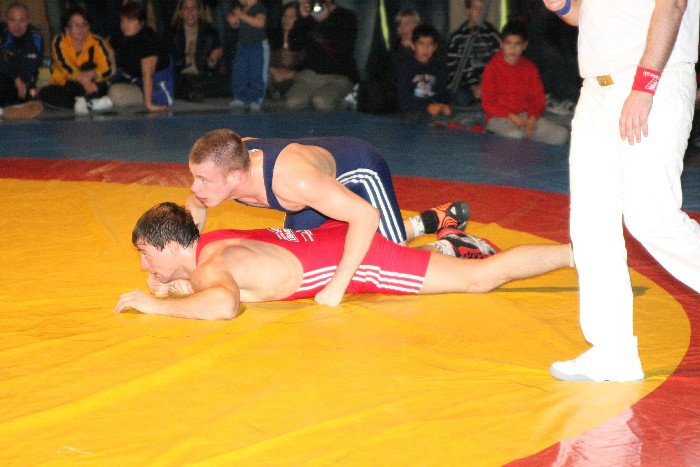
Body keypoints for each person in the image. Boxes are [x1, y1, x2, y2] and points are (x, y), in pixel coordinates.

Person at [543, 0, 700, 382]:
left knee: (652, 218)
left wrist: (644, 86)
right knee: (591, 225)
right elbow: (587, 15)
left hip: (653, 83)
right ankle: (612, 351)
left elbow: (672, 5)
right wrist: (563, 6)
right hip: (596, 90)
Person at [115, 202, 572, 320]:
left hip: (359, 259)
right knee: (449, 267)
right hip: (333, 237)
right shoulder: (210, 245)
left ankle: (581, 254)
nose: (142, 265)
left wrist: (157, 304)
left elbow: (223, 305)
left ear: (172, 247)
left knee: (480, 280)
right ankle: (449, 241)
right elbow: (228, 281)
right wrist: (177, 285)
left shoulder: (212, 270)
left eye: (145, 254)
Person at [184, 129, 473, 306]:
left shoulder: (293, 182)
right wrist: (187, 259)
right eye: (196, 177)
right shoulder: (228, 164)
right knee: (317, 256)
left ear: (235, 177)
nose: (196, 188)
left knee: (390, 259)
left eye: (203, 180)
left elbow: (366, 216)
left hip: (359, 172)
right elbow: (194, 203)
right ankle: (425, 221)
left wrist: (337, 286)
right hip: (312, 190)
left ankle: (449, 245)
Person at [480, 20, 569, 145]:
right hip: (500, 118)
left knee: (561, 135)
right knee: (515, 136)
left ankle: (531, 146)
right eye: (508, 43)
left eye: (517, 44)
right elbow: (488, 103)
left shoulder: (530, 68)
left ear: (524, 46)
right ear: (501, 44)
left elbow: (538, 99)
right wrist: (512, 116)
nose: (512, 48)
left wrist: (532, 117)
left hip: (526, 117)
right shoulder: (491, 68)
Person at [284, 0, 358, 111]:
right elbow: (294, 46)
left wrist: (324, 21)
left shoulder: (346, 17)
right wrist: (302, 19)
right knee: (292, 102)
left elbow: (341, 49)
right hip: (309, 74)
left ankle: (346, 102)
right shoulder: (308, 17)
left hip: (337, 76)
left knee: (321, 101)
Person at [39, 6, 113, 114]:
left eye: (85, 24)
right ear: (67, 29)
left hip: (91, 83)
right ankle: (90, 103)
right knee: (45, 93)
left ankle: (82, 102)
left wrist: (92, 74)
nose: (81, 29)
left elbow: (107, 69)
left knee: (101, 84)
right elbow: (66, 66)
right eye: (76, 25)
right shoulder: (59, 41)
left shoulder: (97, 42)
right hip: (65, 85)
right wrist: (82, 80)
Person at [108, 2, 174, 111]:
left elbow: (147, 75)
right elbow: (107, 43)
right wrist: (112, 66)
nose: (124, 25)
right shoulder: (124, 36)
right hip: (133, 78)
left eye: (129, 21)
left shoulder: (149, 40)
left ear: (141, 23)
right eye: (122, 20)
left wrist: (149, 104)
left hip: (156, 84)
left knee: (116, 94)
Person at [357, 8, 419, 114]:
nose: (403, 28)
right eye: (400, 24)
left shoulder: (424, 47)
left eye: (407, 23)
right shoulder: (393, 47)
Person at [168, 0, 228, 102]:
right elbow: (170, 64)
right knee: (173, 82)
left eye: (194, 8)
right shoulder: (171, 33)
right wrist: (188, 57)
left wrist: (212, 60)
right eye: (186, 8)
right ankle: (192, 93)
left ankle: (192, 93)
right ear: (180, 13)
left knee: (226, 82)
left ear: (199, 12)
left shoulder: (210, 33)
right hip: (181, 77)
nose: (190, 11)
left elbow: (212, 69)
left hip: (201, 77)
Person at [446, 0, 500, 108]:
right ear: (468, 10)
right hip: (466, 87)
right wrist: (472, 86)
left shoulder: (493, 35)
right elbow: (452, 71)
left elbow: (499, 65)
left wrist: (485, 85)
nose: (479, 12)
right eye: (476, 7)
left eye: (482, 8)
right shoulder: (457, 38)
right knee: (460, 97)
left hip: (490, 85)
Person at [396, 24, 452, 122]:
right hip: (412, 112)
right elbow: (404, 100)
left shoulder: (437, 67)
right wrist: (427, 106)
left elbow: (442, 92)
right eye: (421, 44)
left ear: (435, 47)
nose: (426, 48)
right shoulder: (406, 67)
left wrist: (443, 106)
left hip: (433, 110)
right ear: (413, 46)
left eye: (430, 44)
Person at [0, 2, 43, 111]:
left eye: (22, 21)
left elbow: (34, 67)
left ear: (28, 21)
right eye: (12, 21)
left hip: (24, 87)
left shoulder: (36, 38)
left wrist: (24, 84)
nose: (17, 26)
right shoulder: (2, 35)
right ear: (6, 21)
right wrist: (16, 78)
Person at [226, 0, 268, 111]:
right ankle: (240, 97)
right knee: (239, 71)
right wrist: (234, 22)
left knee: (256, 73)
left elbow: (260, 23)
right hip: (242, 45)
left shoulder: (259, 7)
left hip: (256, 46)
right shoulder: (243, 8)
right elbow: (239, 25)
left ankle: (257, 98)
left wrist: (241, 16)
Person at [266, 1, 303, 102]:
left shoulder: (304, 38)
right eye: (284, 16)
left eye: (291, 16)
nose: (286, 19)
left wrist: (291, 73)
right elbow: (263, 58)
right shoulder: (273, 36)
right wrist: (273, 70)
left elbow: (306, 63)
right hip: (274, 75)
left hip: (293, 77)